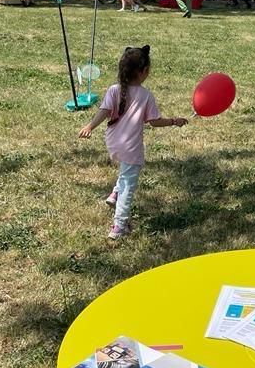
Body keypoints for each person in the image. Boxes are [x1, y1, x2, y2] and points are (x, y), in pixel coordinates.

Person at [78, 46, 187, 239]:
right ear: (144, 71)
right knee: (129, 184)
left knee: (125, 170)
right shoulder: (146, 96)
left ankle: (115, 193)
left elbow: (103, 111)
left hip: (113, 142)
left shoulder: (114, 89)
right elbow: (154, 122)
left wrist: (89, 126)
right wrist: (173, 121)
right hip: (131, 147)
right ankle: (119, 226)